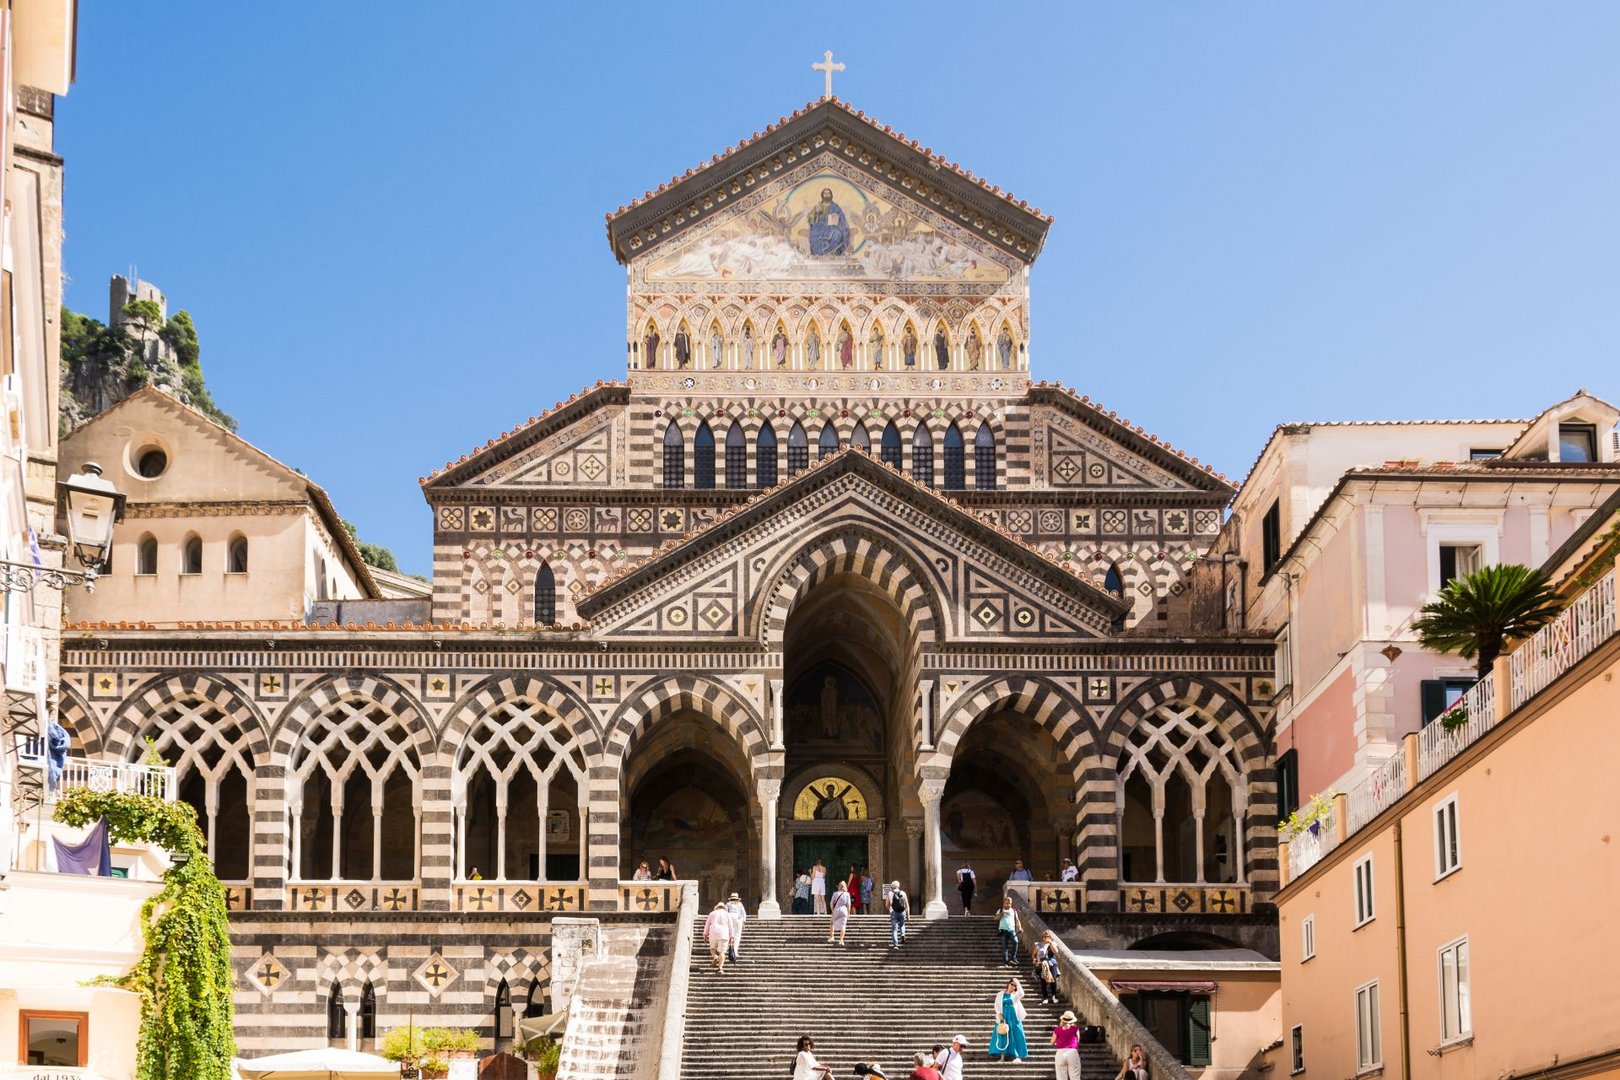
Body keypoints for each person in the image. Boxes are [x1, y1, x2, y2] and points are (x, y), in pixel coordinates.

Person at [987, 977, 1029, 1063]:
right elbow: (996, 1005)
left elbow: (1021, 993)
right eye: (1012, 984)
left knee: (1016, 1034)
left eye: (1014, 985)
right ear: (1008, 984)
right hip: (1003, 1016)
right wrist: (999, 1013)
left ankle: (1017, 1056)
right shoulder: (1000, 994)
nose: (1013, 986)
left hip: (1013, 1016)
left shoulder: (1015, 995)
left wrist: (1017, 982)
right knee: (1003, 1034)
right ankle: (1002, 1057)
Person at [806, 187, 851, 256]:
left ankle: (833, 253)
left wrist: (836, 218)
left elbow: (841, 218)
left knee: (837, 233)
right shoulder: (818, 206)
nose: (826, 195)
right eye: (825, 193)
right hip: (820, 225)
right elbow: (810, 218)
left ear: (831, 195)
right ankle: (818, 253)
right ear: (822, 195)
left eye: (828, 193)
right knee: (815, 233)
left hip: (833, 226)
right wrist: (816, 213)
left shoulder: (835, 207)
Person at [1033, 931, 1062, 1004]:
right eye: (1045, 937)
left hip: (1052, 963)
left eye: (1048, 936)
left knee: (1053, 980)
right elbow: (1033, 954)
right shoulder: (1039, 945)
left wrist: (1051, 943)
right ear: (1043, 937)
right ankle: (1045, 997)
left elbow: (1056, 952)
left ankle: (1054, 996)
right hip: (1042, 964)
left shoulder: (1053, 944)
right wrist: (1035, 959)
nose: (1046, 938)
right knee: (1043, 981)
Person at [1052, 1011, 1082, 1080]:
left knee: (1061, 1077)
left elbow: (1052, 1042)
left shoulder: (1057, 1030)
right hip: (1072, 1052)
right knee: (1075, 1076)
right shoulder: (1076, 1029)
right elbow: (1078, 1040)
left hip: (1060, 1053)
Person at [703, 902, 733, 972]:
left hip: (713, 933)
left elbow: (707, 924)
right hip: (724, 934)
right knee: (722, 952)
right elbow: (731, 926)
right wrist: (731, 936)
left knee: (712, 949)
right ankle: (720, 968)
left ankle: (715, 957)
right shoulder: (727, 914)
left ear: (717, 907)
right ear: (724, 908)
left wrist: (705, 934)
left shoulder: (712, 913)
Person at [996, 895, 1024, 966]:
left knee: (1016, 942)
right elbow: (995, 918)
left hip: (1012, 930)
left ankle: (1013, 958)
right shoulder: (1000, 910)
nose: (1008, 905)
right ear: (1004, 903)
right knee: (1005, 946)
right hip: (1003, 930)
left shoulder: (1014, 911)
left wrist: (1020, 927)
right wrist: (1002, 913)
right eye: (1007, 903)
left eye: (1010, 903)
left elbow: (1017, 920)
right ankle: (1005, 962)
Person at [725, 892, 747, 962]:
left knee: (731, 935)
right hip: (737, 920)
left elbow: (725, 913)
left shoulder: (728, 904)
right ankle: (734, 950)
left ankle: (729, 949)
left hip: (731, 919)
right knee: (737, 936)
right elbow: (743, 913)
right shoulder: (739, 904)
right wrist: (743, 922)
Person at [828, 879, 852, 945]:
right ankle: (841, 940)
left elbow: (831, 903)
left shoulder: (835, 893)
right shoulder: (847, 894)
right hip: (844, 910)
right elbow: (849, 905)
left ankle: (832, 937)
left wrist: (833, 910)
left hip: (837, 909)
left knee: (832, 922)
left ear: (839, 886)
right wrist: (849, 913)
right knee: (843, 925)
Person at [888, 879, 909, 948]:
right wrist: (908, 915)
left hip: (893, 911)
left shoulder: (890, 893)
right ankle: (903, 934)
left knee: (894, 929)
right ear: (898, 886)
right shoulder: (903, 893)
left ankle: (895, 945)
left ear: (892, 886)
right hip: (902, 911)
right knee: (902, 924)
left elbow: (887, 904)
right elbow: (906, 904)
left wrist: (890, 910)